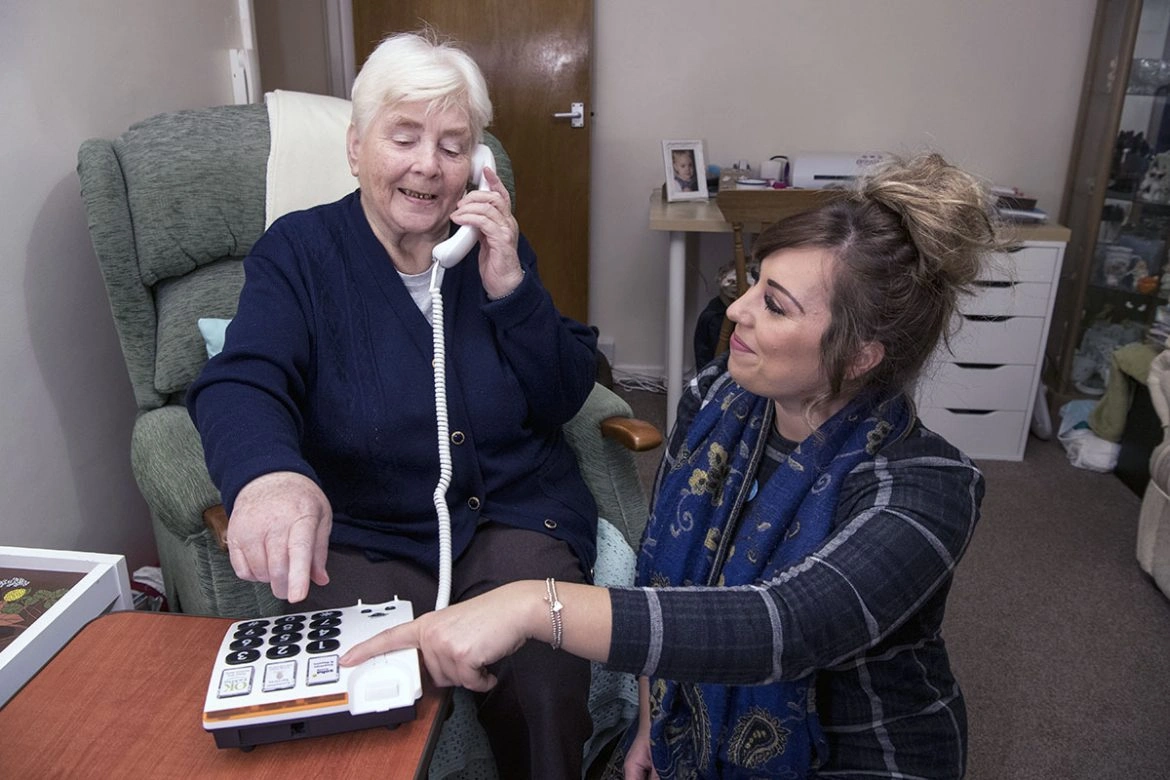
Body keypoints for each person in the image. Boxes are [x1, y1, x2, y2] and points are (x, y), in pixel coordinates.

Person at [342, 152, 1016, 779]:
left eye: (775, 305)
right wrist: (651, 721)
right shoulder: (719, 398)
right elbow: (662, 570)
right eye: (753, 284)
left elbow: (779, 626)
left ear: (861, 355)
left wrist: (527, 605)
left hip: (858, 754)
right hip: (692, 727)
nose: (737, 311)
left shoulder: (925, 491)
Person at [187, 31, 598, 780]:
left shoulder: (492, 247)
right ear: (355, 147)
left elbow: (563, 393)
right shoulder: (299, 252)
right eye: (403, 137)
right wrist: (267, 475)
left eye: (452, 145)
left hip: (511, 516)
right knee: (361, 705)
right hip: (368, 531)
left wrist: (512, 286)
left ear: (476, 164)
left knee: (545, 675)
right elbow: (243, 378)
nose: (426, 166)